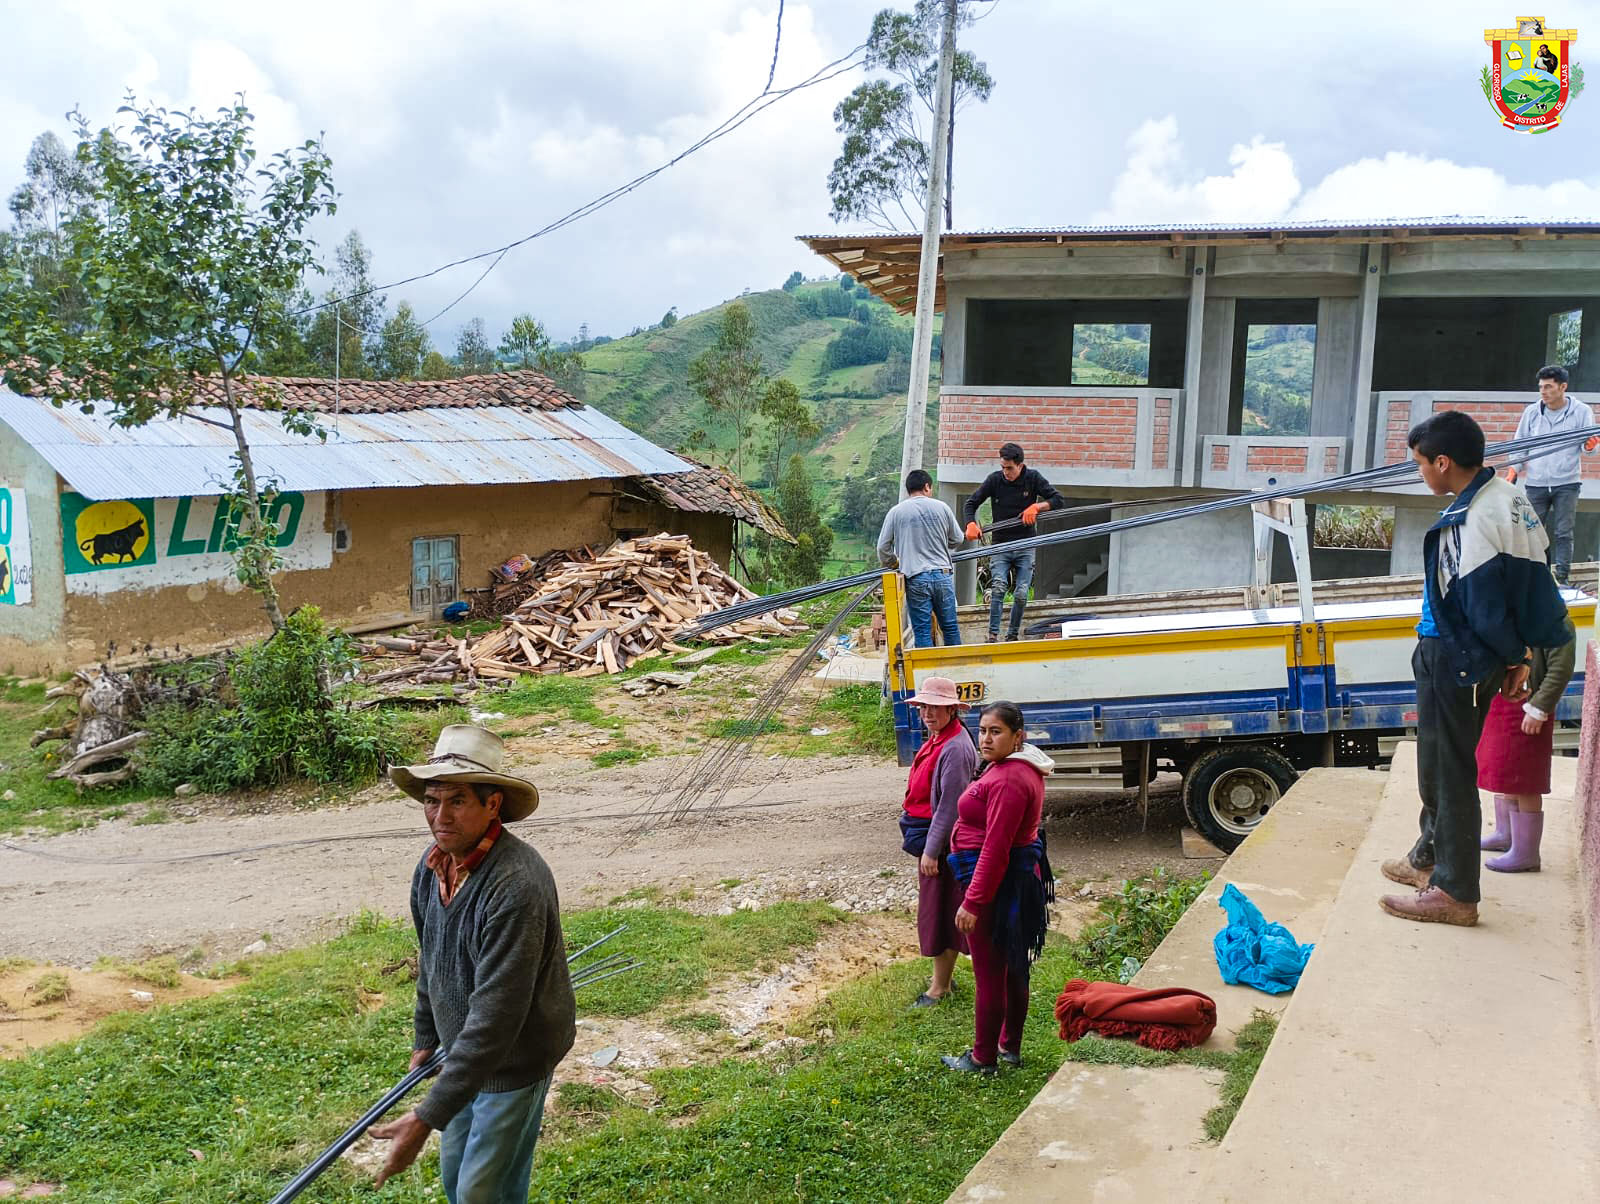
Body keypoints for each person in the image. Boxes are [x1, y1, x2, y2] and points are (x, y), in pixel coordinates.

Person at [1380, 411, 1570, 927]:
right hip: (1472, 654)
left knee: (1449, 770)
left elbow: (1484, 605)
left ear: (1443, 462)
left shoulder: (1474, 520)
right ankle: (1430, 857)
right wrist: (1521, 653)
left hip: (1455, 655)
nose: (1420, 472)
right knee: (1437, 763)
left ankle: (1455, 891)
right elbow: (1535, 586)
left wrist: (1513, 655)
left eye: (1421, 463)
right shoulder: (1507, 496)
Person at [372, 724, 575, 1201]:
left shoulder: (517, 883)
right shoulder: (432, 866)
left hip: (514, 1060)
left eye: (457, 801)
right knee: (455, 1179)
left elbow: (497, 1015)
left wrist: (424, 1118)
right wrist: (427, 1033)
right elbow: (432, 960)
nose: (440, 816)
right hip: (461, 1055)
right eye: (431, 800)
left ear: (493, 805)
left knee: (483, 1193)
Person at [941, 701, 1055, 1074]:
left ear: (1017, 736)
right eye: (983, 730)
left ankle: (983, 1057)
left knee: (991, 972)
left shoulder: (1008, 779)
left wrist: (973, 902)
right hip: (1015, 881)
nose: (986, 739)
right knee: (1013, 965)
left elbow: (996, 846)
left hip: (998, 886)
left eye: (996, 732)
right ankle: (1010, 1047)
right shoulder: (1015, 768)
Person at [897, 676, 981, 1009]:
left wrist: (932, 851)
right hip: (930, 837)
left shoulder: (956, 748)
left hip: (942, 844)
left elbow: (950, 806)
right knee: (939, 909)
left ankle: (939, 987)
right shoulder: (939, 738)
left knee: (941, 911)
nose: (929, 713)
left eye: (937, 707)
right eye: (924, 707)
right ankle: (942, 980)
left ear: (951, 710)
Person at [1478, 614, 1577, 873]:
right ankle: (1505, 834)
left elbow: (1560, 669)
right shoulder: (1516, 615)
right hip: (1505, 703)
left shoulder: (1557, 622)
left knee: (1525, 780)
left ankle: (1526, 852)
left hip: (1531, 707)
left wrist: (1539, 708)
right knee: (1506, 771)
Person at [962, 443, 1066, 643]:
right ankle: (992, 635)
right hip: (1000, 544)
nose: (1005, 472)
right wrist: (971, 524)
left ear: (1020, 465)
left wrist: (1037, 507)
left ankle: (1012, 635)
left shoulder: (1033, 478)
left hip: (1025, 543)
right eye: (1003, 467)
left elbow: (1057, 499)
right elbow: (971, 503)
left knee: (1021, 592)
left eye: (1009, 468)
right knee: (999, 587)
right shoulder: (994, 480)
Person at [1507, 365, 1596, 584]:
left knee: (1563, 532)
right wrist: (1512, 473)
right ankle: (1540, 577)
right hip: (1536, 483)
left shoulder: (1581, 411)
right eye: (1541, 387)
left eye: (1548, 386)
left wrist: (1591, 445)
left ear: (1563, 387)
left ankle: (1562, 578)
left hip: (1567, 483)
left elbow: (1589, 448)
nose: (1543, 392)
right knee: (1532, 531)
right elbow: (1520, 446)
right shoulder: (1532, 413)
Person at [877, 468, 964, 647]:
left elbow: (882, 548)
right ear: (926, 487)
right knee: (950, 627)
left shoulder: (896, 512)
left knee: (922, 631)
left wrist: (894, 562)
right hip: (943, 575)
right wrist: (940, 544)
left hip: (916, 578)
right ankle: (956, 672)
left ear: (909, 489)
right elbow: (958, 538)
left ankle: (928, 674)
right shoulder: (942, 507)